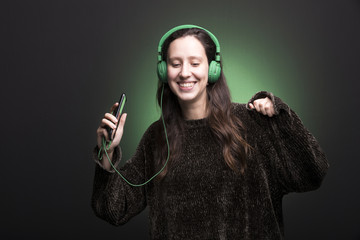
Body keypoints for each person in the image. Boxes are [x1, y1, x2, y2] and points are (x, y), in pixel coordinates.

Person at [92, 25, 329, 239]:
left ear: (213, 70)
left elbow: (312, 172)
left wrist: (279, 115)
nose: (185, 72)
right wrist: (107, 154)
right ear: (164, 71)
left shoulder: (253, 123)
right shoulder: (156, 137)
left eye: (195, 63)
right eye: (175, 64)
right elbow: (113, 210)